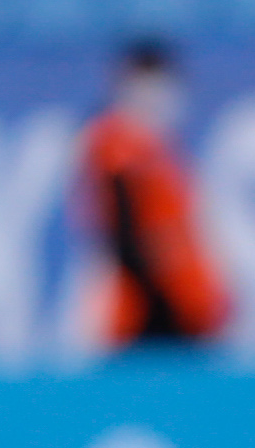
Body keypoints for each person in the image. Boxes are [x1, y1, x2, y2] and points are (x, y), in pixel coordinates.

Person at [78, 38, 230, 351]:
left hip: (181, 312)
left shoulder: (159, 150)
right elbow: (124, 240)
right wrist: (169, 308)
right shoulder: (115, 147)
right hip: (148, 320)